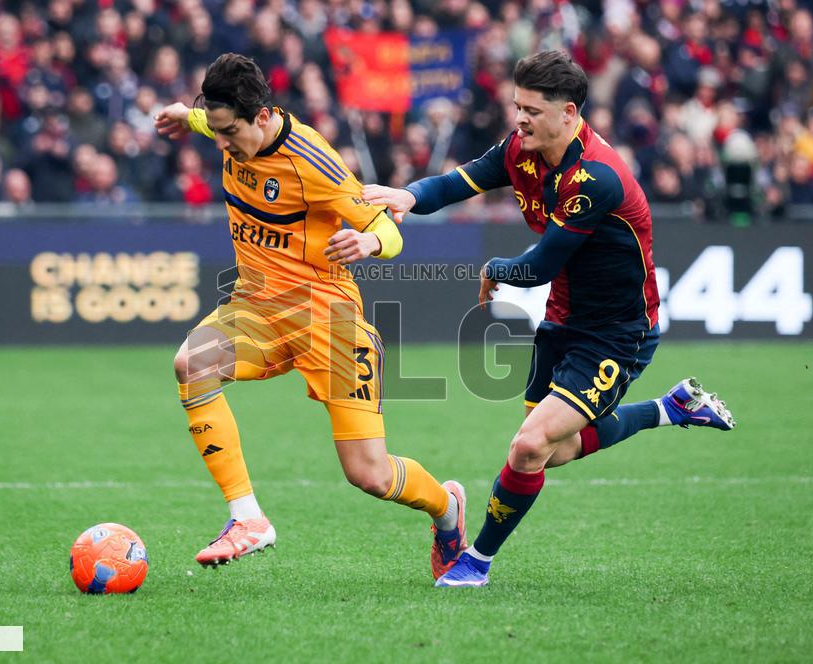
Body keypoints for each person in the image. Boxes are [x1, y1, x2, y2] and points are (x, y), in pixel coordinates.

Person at [363, 51, 735, 588]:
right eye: (518, 106)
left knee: (529, 447)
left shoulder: (595, 178)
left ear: (569, 113)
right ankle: (669, 408)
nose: (520, 119)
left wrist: (493, 268)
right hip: (563, 318)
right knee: (553, 451)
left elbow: (538, 266)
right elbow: (460, 181)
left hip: (618, 333)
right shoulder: (523, 148)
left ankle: (475, 562)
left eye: (532, 110)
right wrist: (408, 195)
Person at [154, 53, 466, 575]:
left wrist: (369, 241)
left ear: (262, 116)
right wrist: (184, 116)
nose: (222, 143)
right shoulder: (229, 123)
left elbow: (387, 229)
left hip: (328, 319)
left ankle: (448, 507)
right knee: (192, 363)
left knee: (369, 474)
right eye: (216, 129)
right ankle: (248, 518)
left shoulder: (311, 162)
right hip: (256, 308)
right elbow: (206, 120)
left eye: (229, 132)